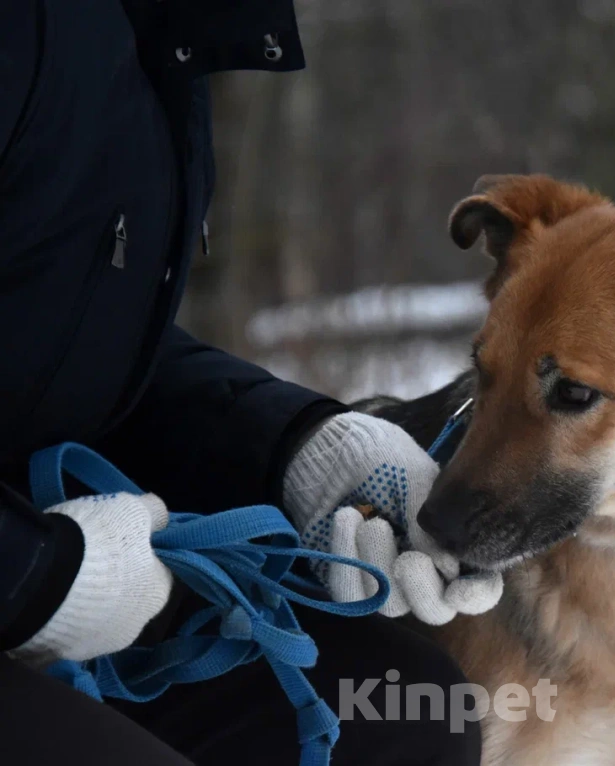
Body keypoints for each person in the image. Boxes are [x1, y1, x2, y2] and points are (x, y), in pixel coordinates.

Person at [0, 2, 497, 764]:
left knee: (401, 714)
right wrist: (37, 577)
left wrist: (294, 449)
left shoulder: (151, 31)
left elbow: (56, 333)